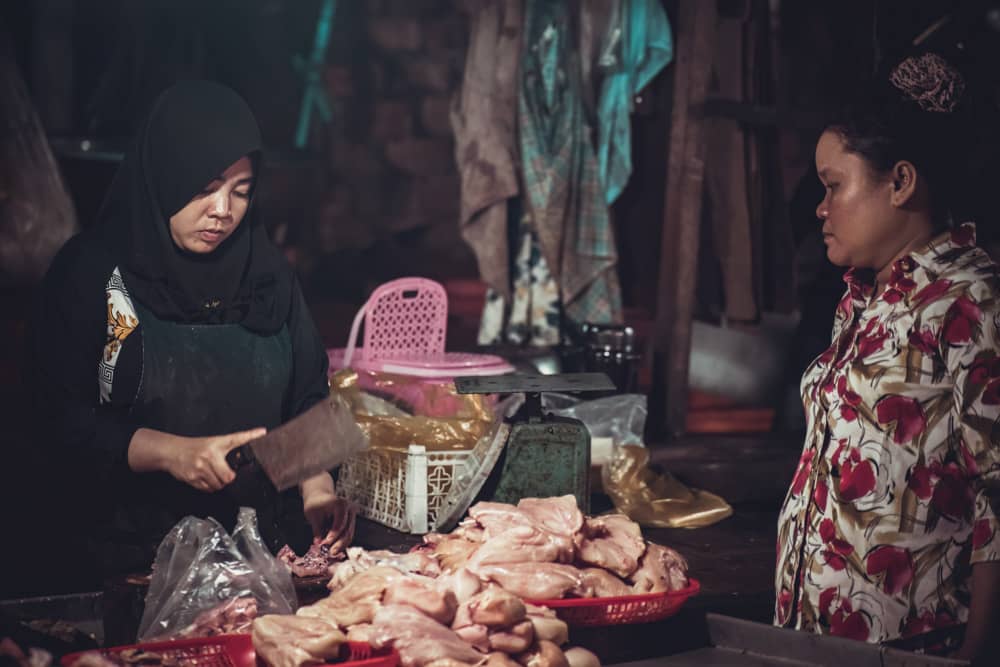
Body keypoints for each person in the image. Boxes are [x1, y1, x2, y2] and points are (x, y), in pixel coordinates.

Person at [32, 81, 353, 580]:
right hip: (127, 559)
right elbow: (54, 418)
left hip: (256, 556)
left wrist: (318, 493)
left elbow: (306, 399)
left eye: (240, 192)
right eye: (204, 189)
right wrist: (173, 454)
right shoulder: (93, 272)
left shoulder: (268, 275)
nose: (223, 211)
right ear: (162, 177)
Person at [774, 53, 999, 663]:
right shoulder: (865, 299)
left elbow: (997, 502)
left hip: (913, 648)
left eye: (833, 186)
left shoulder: (970, 301)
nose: (821, 209)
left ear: (900, 182)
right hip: (819, 640)